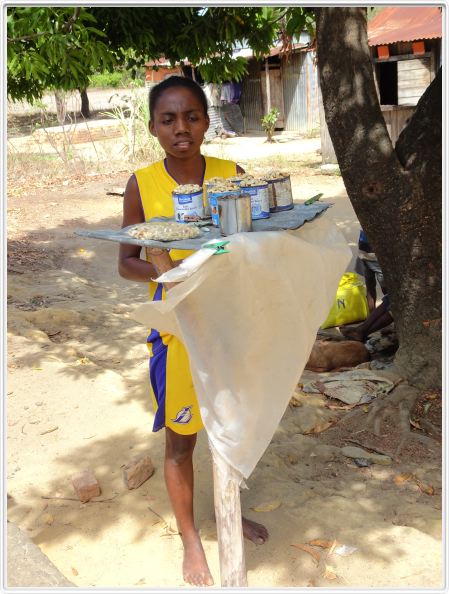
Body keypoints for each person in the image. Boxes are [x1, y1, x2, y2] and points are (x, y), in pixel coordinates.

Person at [118, 76, 268, 587]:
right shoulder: (143, 183)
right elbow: (126, 262)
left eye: (192, 117)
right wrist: (168, 272)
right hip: (178, 329)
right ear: (154, 127)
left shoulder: (234, 175)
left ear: (207, 119)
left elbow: (255, 245)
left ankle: (228, 512)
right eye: (168, 119)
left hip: (230, 324)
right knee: (183, 440)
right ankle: (190, 540)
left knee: (230, 427)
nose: (181, 129)